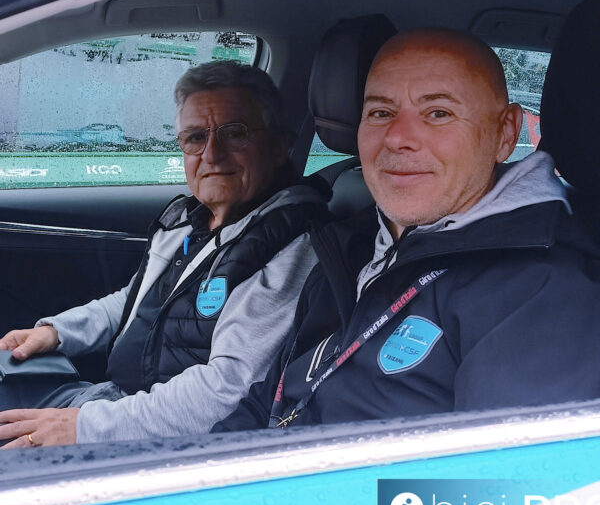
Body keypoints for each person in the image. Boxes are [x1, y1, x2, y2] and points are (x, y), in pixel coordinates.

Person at [212, 28, 600, 432]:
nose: (396, 137)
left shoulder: (546, 293)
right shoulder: (351, 247)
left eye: (438, 113)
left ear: (505, 133)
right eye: (381, 113)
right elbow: (266, 400)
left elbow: (501, 472)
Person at [0, 61, 329, 447]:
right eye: (195, 137)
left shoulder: (293, 246)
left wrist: (84, 427)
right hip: (111, 403)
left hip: (154, 441)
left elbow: (225, 392)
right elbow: (135, 300)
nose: (211, 155)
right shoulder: (188, 219)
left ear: (277, 146)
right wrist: (56, 332)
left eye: (234, 133)